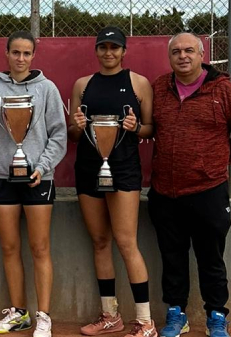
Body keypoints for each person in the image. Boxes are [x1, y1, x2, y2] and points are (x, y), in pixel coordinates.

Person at [149, 32, 231, 337]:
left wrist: (218, 162)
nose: (183, 56)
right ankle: (176, 314)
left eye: (189, 51)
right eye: (176, 52)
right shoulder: (160, 87)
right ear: (170, 57)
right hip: (165, 192)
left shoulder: (224, 90)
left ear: (201, 54)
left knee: (211, 258)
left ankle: (217, 315)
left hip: (207, 191)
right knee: (172, 257)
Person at [0, 30, 67, 337]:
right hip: (2, 176)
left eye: (27, 53)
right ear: (7, 53)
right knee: (10, 247)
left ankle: (44, 316)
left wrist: (42, 166)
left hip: (38, 178)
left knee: (40, 247)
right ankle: (19, 313)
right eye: (16, 52)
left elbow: (59, 135)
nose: (21, 58)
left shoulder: (47, 89)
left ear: (33, 56)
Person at [68, 27, 156, 337]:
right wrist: (76, 125)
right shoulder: (82, 85)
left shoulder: (139, 83)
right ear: (96, 50)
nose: (109, 53)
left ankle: (145, 321)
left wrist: (135, 127)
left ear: (123, 51)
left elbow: (149, 128)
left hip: (124, 171)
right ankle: (110, 316)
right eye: (103, 47)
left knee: (126, 242)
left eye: (114, 47)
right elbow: (74, 135)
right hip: (88, 170)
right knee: (100, 242)